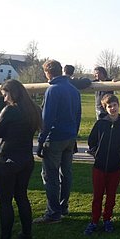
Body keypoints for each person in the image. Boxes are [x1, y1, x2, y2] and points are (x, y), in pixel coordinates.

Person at [0, 79, 42, 239]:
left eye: (5, 95)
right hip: (26, 158)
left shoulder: (10, 110)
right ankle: (27, 234)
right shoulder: (34, 109)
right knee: (22, 196)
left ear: (13, 93)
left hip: (8, 159)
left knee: (5, 201)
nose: (4, 99)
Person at [34, 59, 82, 223]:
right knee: (66, 173)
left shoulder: (52, 90)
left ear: (47, 72)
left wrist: (41, 141)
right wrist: (74, 135)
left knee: (51, 175)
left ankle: (53, 213)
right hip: (69, 137)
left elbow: (46, 119)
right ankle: (63, 206)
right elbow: (78, 116)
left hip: (54, 138)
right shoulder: (74, 90)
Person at [83, 94, 120, 235]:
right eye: (109, 106)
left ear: (118, 105)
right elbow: (91, 140)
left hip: (115, 167)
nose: (112, 108)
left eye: (114, 105)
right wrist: (96, 152)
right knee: (97, 195)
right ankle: (94, 220)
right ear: (105, 108)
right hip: (99, 166)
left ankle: (107, 219)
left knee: (111, 196)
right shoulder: (100, 124)